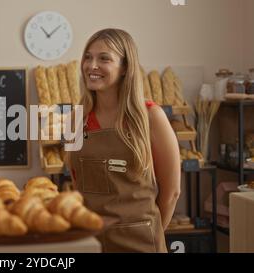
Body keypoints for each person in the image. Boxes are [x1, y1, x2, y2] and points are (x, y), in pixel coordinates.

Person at [67, 28, 181, 252]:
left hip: (141, 242)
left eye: (104, 58)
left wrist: (151, 232)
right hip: (92, 242)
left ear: (125, 68)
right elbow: (77, 183)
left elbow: (172, 193)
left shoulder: (151, 117)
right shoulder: (76, 119)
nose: (92, 66)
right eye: (88, 58)